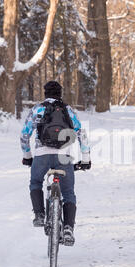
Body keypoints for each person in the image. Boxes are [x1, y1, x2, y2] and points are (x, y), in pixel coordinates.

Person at [20, 81, 91, 246]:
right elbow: (81, 133)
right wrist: (86, 157)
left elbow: (24, 134)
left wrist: (27, 155)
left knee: (36, 182)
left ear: (45, 93)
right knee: (68, 193)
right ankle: (68, 228)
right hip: (63, 156)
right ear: (61, 93)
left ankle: (39, 215)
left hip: (42, 155)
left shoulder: (38, 109)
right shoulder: (68, 110)